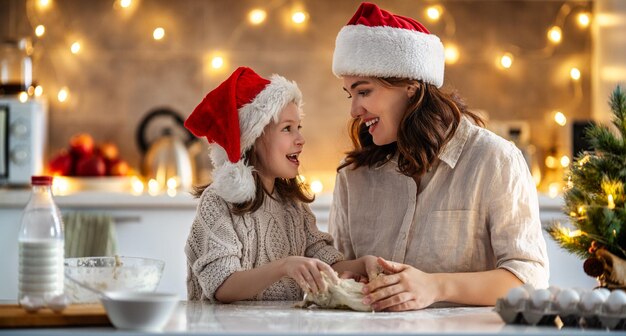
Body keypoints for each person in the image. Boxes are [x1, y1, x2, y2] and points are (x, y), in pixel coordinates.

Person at [328, 3, 550, 311]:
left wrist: (436, 285)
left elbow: (530, 280)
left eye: (363, 92)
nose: (354, 110)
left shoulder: (494, 161)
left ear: (410, 84)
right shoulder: (352, 175)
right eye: (349, 94)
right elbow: (337, 274)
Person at [184, 66, 372, 302]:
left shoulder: (293, 205)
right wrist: (285, 266)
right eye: (287, 129)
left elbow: (324, 260)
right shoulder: (218, 201)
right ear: (251, 139)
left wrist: (363, 265)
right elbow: (222, 285)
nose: (300, 139)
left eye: (298, 127)